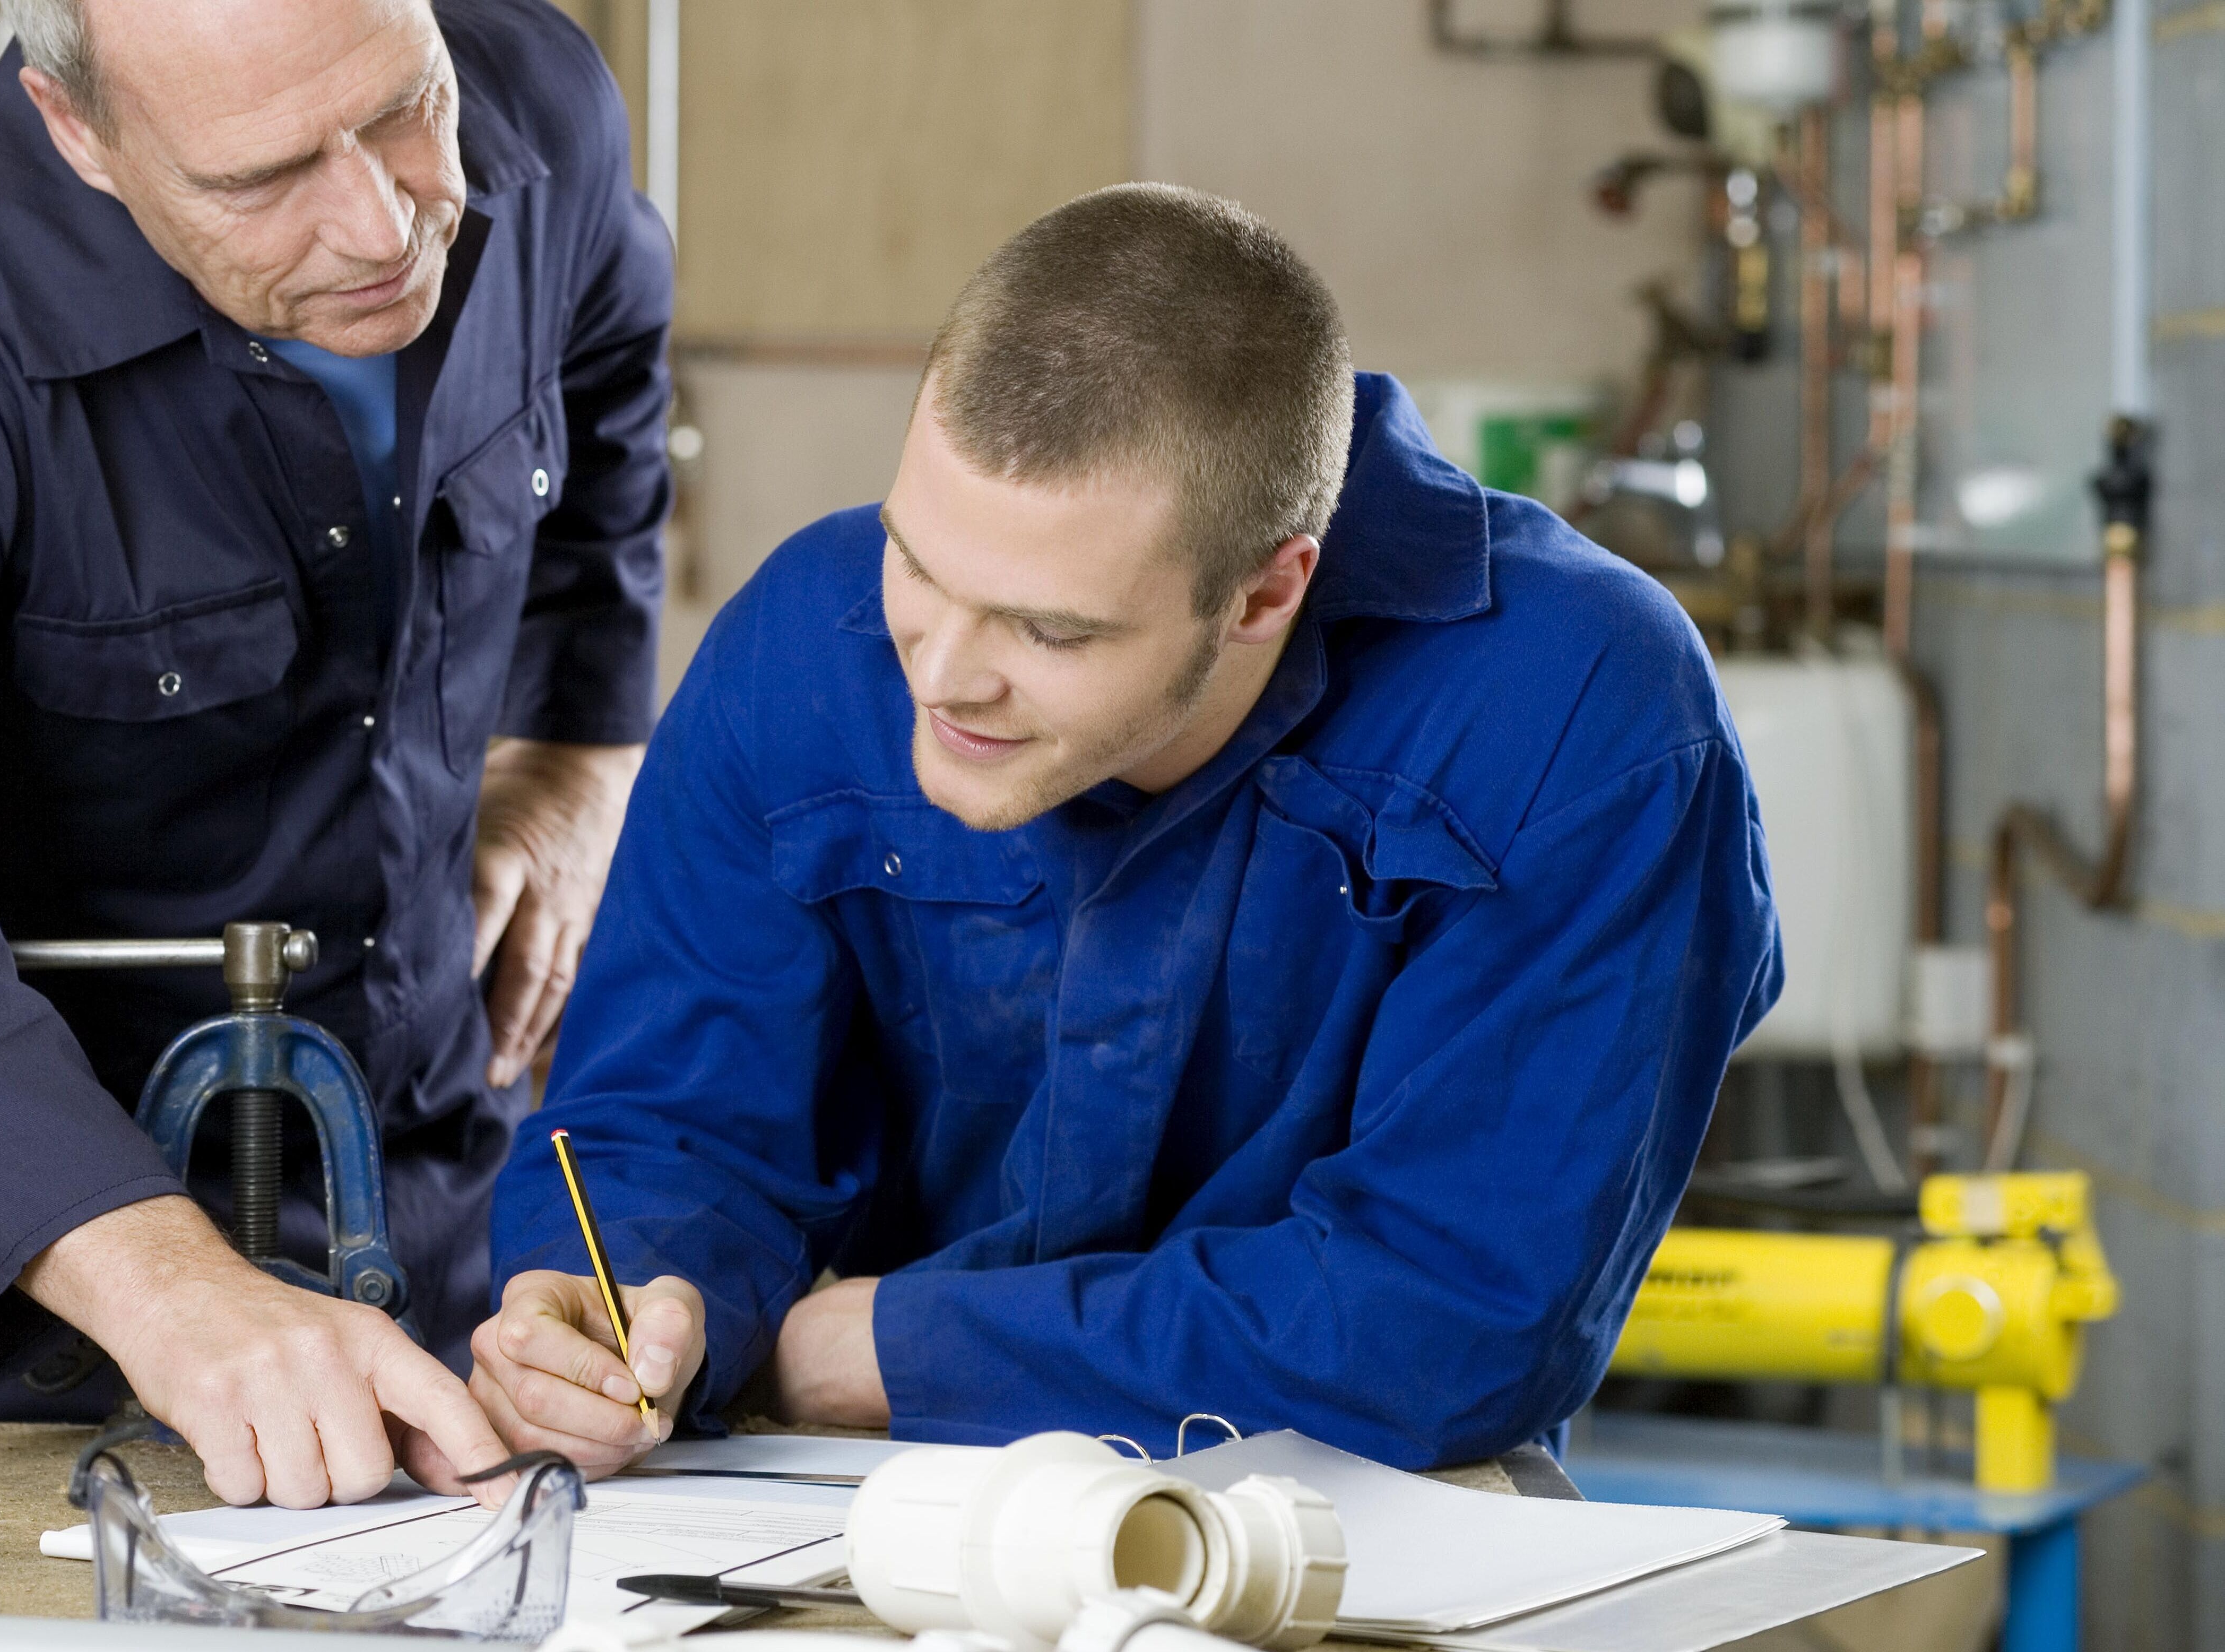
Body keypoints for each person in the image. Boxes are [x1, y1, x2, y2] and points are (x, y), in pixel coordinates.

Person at [469, 185, 1781, 1474]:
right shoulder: (801, 643)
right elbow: (659, 1127)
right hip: (862, 1488)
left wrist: (866, 1350)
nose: (938, 676)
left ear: (1269, 587)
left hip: (1366, 1508)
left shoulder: (1579, 711)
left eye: (1049, 631)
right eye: (917, 564)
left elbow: (1451, 1316)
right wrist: (633, 1306)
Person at [0, 0, 669, 1508]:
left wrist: (576, 754)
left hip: (430, 1206)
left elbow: (610, 393)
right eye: (263, 179)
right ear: (78, 132)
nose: (381, 221)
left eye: (404, 109)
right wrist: (172, 1288)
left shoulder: (537, 99)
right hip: (4, 1323)